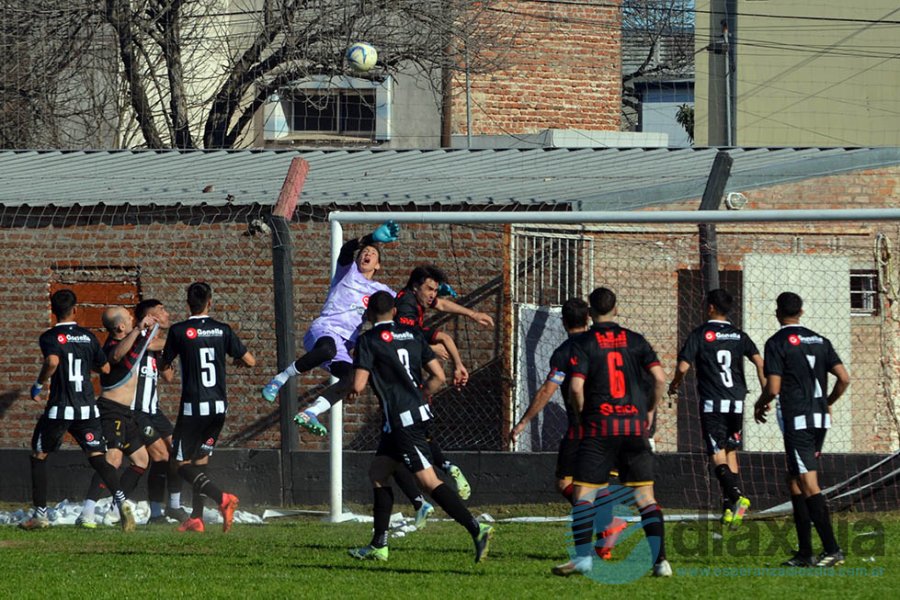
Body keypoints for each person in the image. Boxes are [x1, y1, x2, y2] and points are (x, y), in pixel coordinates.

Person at [343, 291, 493, 563]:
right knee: (378, 472)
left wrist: (350, 389)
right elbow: (438, 375)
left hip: (402, 420)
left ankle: (476, 528)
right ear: (395, 312)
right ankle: (379, 545)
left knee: (428, 481)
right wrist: (420, 395)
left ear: (369, 314)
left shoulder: (368, 340)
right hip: (409, 415)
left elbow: (359, 385)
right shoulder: (412, 335)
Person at [552, 287, 671, 578]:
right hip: (633, 427)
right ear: (616, 309)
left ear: (590, 313)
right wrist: (649, 410)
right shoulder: (636, 340)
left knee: (583, 495)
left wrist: (581, 417)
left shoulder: (585, 342)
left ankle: (582, 559)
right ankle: (661, 563)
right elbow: (659, 378)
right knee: (645, 497)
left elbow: (577, 388)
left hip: (600, 427)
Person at [261, 221, 399, 435]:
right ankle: (280, 379)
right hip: (324, 330)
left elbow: (405, 300)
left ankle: (310, 413)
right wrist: (371, 238)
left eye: (372, 253)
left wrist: (432, 292)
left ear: (378, 265)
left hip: (345, 344)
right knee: (328, 350)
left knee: (353, 379)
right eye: (364, 252)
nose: (366, 254)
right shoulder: (348, 272)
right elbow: (346, 250)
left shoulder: (381, 290)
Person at [22, 289, 137, 532]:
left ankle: (40, 515)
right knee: (97, 457)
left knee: (39, 455)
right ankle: (122, 502)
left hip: (61, 408)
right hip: (87, 409)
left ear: (53, 311)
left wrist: (38, 384)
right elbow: (105, 368)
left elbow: (52, 362)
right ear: (76, 310)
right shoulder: (88, 337)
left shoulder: (50, 337)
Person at [389, 264, 494, 520]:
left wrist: (472, 313)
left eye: (435, 290)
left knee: (392, 458)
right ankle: (440, 474)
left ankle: (422, 502)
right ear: (415, 287)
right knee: (394, 457)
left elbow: (443, 306)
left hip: (404, 382)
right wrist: (431, 347)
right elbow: (406, 333)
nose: (432, 295)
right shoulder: (405, 305)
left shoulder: (416, 299)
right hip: (400, 359)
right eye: (429, 289)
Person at [753, 292, 850, 568]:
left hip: (798, 419)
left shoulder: (776, 342)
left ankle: (832, 549)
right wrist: (827, 402)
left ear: (777, 312)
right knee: (795, 481)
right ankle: (805, 552)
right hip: (819, 419)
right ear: (802, 312)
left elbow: (773, 387)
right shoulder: (820, 340)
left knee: (807, 483)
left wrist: (760, 404)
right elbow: (844, 378)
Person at [160, 282, 256, 533]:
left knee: (179, 463)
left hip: (194, 407)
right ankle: (197, 518)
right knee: (200, 460)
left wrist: (167, 371)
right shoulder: (222, 330)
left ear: (187, 303)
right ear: (210, 302)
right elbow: (250, 361)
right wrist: (236, 362)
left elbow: (166, 367)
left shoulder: (179, 331)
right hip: (218, 408)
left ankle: (222, 498)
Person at [668, 288, 765, 526]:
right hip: (736, 402)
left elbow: (682, 368)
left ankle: (737, 496)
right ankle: (729, 509)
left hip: (713, 403)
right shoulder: (738, 335)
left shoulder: (700, 334)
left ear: (710, 307)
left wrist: (675, 385)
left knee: (717, 454)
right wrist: (766, 394)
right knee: (731, 450)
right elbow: (760, 362)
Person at [76, 306, 158, 528]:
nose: (133, 318)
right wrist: (138, 330)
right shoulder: (112, 346)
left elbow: (149, 344)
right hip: (111, 410)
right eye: (129, 318)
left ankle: (115, 509)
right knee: (112, 460)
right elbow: (117, 355)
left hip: (127, 412)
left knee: (141, 460)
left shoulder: (130, 342)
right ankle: (87, 512)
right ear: (122, 326)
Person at [133, 299, 184, 524]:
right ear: (151, 316)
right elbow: (149, 344)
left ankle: (174, 505)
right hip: (137, 410)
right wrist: (179, 341)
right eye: (162, 310)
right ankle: (155, 512)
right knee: (160, 456)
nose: (167, 313)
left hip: (154, 410)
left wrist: (169, 355)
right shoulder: (139, 339)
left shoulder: (158, 346)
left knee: (177, 452)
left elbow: (169, 377)